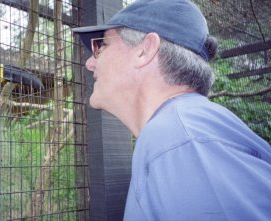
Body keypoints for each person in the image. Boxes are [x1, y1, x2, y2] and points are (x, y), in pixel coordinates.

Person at [73, 0, 271, 220]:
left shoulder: (180, 139)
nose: (89, 63)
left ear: (145, 51)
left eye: (101, 46)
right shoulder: (182, 128)